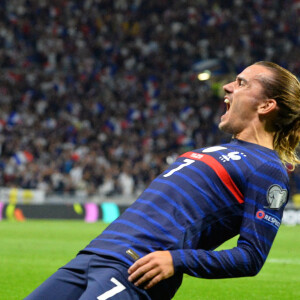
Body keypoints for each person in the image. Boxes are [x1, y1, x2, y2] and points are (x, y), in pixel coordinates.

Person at [25, 61, 300, 300]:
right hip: (93, 256)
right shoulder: (213, 150)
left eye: (241, 83)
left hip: (134, 269)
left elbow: (250, 257)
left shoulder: (267, 168)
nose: (228, 87)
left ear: (266, 105)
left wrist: (176, 259)